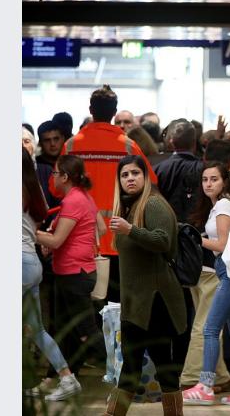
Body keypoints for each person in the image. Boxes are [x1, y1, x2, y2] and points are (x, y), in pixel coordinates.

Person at [52, 85, 157, 303]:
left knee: (85, 309)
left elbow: (55, 187)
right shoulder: (128, 146)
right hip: (120, 238)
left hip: (79, 242)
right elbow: (151, 185)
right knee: (116, 306)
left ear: (91, 109)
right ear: (114, 111)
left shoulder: (71, 146)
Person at [103, 155, 187, 416]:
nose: (130, 178)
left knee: (161, 366)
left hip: (156, 301)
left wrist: (131, 230)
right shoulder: (129, 207)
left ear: (146, 176)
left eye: (135, 174)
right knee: (132, 365)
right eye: (124, 175)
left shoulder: (153, 204)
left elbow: (163, 241)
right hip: (138, 302)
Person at [182, 162, 230, 406]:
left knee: (209, 329)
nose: (208, 184)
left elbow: (221, 244)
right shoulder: (224, 204)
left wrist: (195, 238)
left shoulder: (224, 205)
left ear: (224, 181)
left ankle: (205, 386)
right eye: (205, 180)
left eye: (214, 179)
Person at [35, 155, 105, 388]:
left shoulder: (73, 201)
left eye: (55, 173)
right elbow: (101, 228)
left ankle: (127, 372)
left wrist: (29, 233)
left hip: (74, 273)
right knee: (69, 331)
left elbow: (56, 241)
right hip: (75, 271)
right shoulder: (83, 197)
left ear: (65, 177)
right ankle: (66, 379)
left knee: (86, 332)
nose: (52, 178)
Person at [22, 148, 83, 401]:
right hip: (31, 262)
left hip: (18, 263)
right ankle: (67, 377)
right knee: (37, 329)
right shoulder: (33, 190)